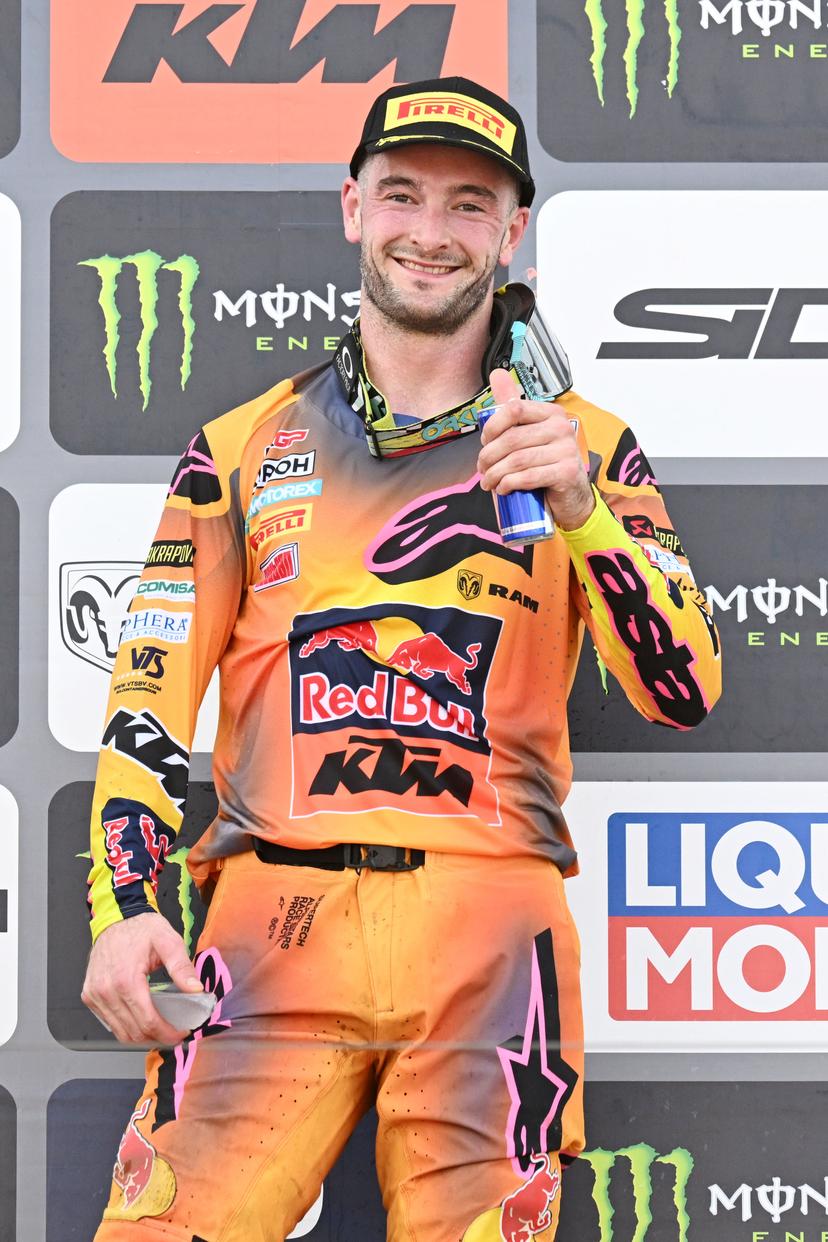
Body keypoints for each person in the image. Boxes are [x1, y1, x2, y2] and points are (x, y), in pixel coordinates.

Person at [82, 76, 721, 1242]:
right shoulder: (236, 450)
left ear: (512, 230)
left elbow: (683, 688)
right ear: (351, 208)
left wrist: (580, 510)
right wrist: (127, 906)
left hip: (493, 933)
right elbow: (144, 697)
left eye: (470, 204)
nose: (431, 231)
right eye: (403, 195)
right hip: (269, 923)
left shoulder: (586, 445)